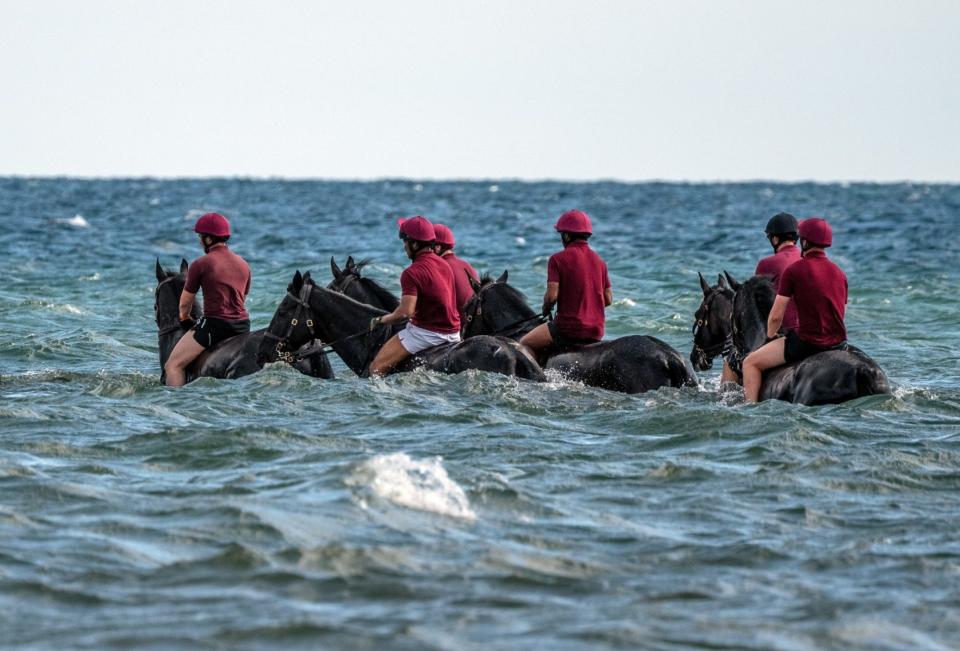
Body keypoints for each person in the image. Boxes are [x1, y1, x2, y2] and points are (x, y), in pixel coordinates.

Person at [742, 217, 848, 402]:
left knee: (750, 363)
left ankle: (749, 409)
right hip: (839, 343)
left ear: (805, 241)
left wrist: (771, 335)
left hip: (807, 343)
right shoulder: (840, 273)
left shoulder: (795, 270)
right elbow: (839, 312)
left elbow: (775, 316)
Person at [164, 212, 251, 387]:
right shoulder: (243, 264)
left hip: (215, 326)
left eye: (200, 236)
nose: (199, 240)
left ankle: (175, 403)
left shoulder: (200, 264)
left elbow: (185, 303)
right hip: (243, 325)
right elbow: (243, 297)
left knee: (173, 365)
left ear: (208, 239)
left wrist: (184, 317)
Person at [367, 216, 461, 377]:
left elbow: (405, 313)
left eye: (405, 242)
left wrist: (381, 320)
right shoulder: (444, 264)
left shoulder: (411, 273)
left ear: (415, 244)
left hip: (426, 334)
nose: (404, 247)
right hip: (454, 333)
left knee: (375, 368)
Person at [519, 209, 612, 362]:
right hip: (596, 330)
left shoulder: (557, 259)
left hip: (568, 329)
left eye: (562, 234)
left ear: (567, 236)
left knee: (524, 343)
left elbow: (552, 296)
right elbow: (608, 299)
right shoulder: (600, 262)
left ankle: (538, 378)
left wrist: (546, 307)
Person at [721, 212, 802, 384]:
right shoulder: (807, 261)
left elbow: (754, 310)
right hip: (813, 332)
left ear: (774, 239)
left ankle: (731, 399)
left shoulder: (767, 264)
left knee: (732, 361)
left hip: (784, 334)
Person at [432, 223, 479, 319]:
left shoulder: (438, 268)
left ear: (438, 247)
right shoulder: (468, 266)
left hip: (451, 329)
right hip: (472, 327)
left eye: (427, 246)